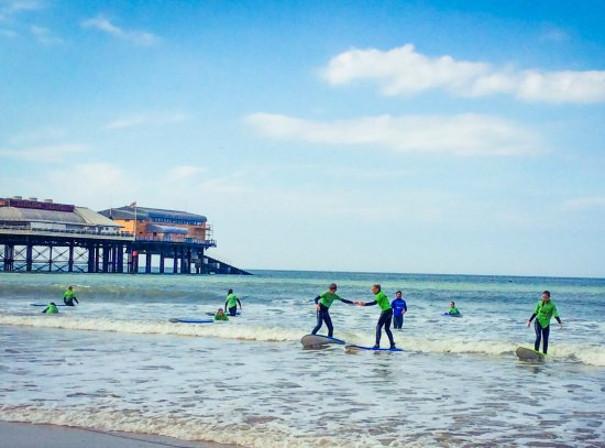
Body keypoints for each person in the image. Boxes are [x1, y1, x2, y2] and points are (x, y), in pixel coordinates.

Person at [356, 284, 396, 349]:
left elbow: (374, 303)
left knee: (378, 327)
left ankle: (377, 344)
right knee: (387, 329)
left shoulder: (379, 295)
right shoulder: (381, 293)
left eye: (373, 289)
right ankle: (392, 345)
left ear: (377, 289)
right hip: (390, 311)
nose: (372, 291)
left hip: (386, 311)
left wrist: (364, 304)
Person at [527, 290, 562, 354]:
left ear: (549, 297)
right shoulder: (539, 303)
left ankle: (544, 354)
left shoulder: (552, 305)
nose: (544, 298)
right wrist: (529, 321)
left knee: (545, 340)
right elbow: (535, 312)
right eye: (543, 297)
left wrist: (559, 322)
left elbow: (555, 314)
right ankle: (536, 352)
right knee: (538, 337)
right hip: (538, 321)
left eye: (545, 297)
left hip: (546, 324)